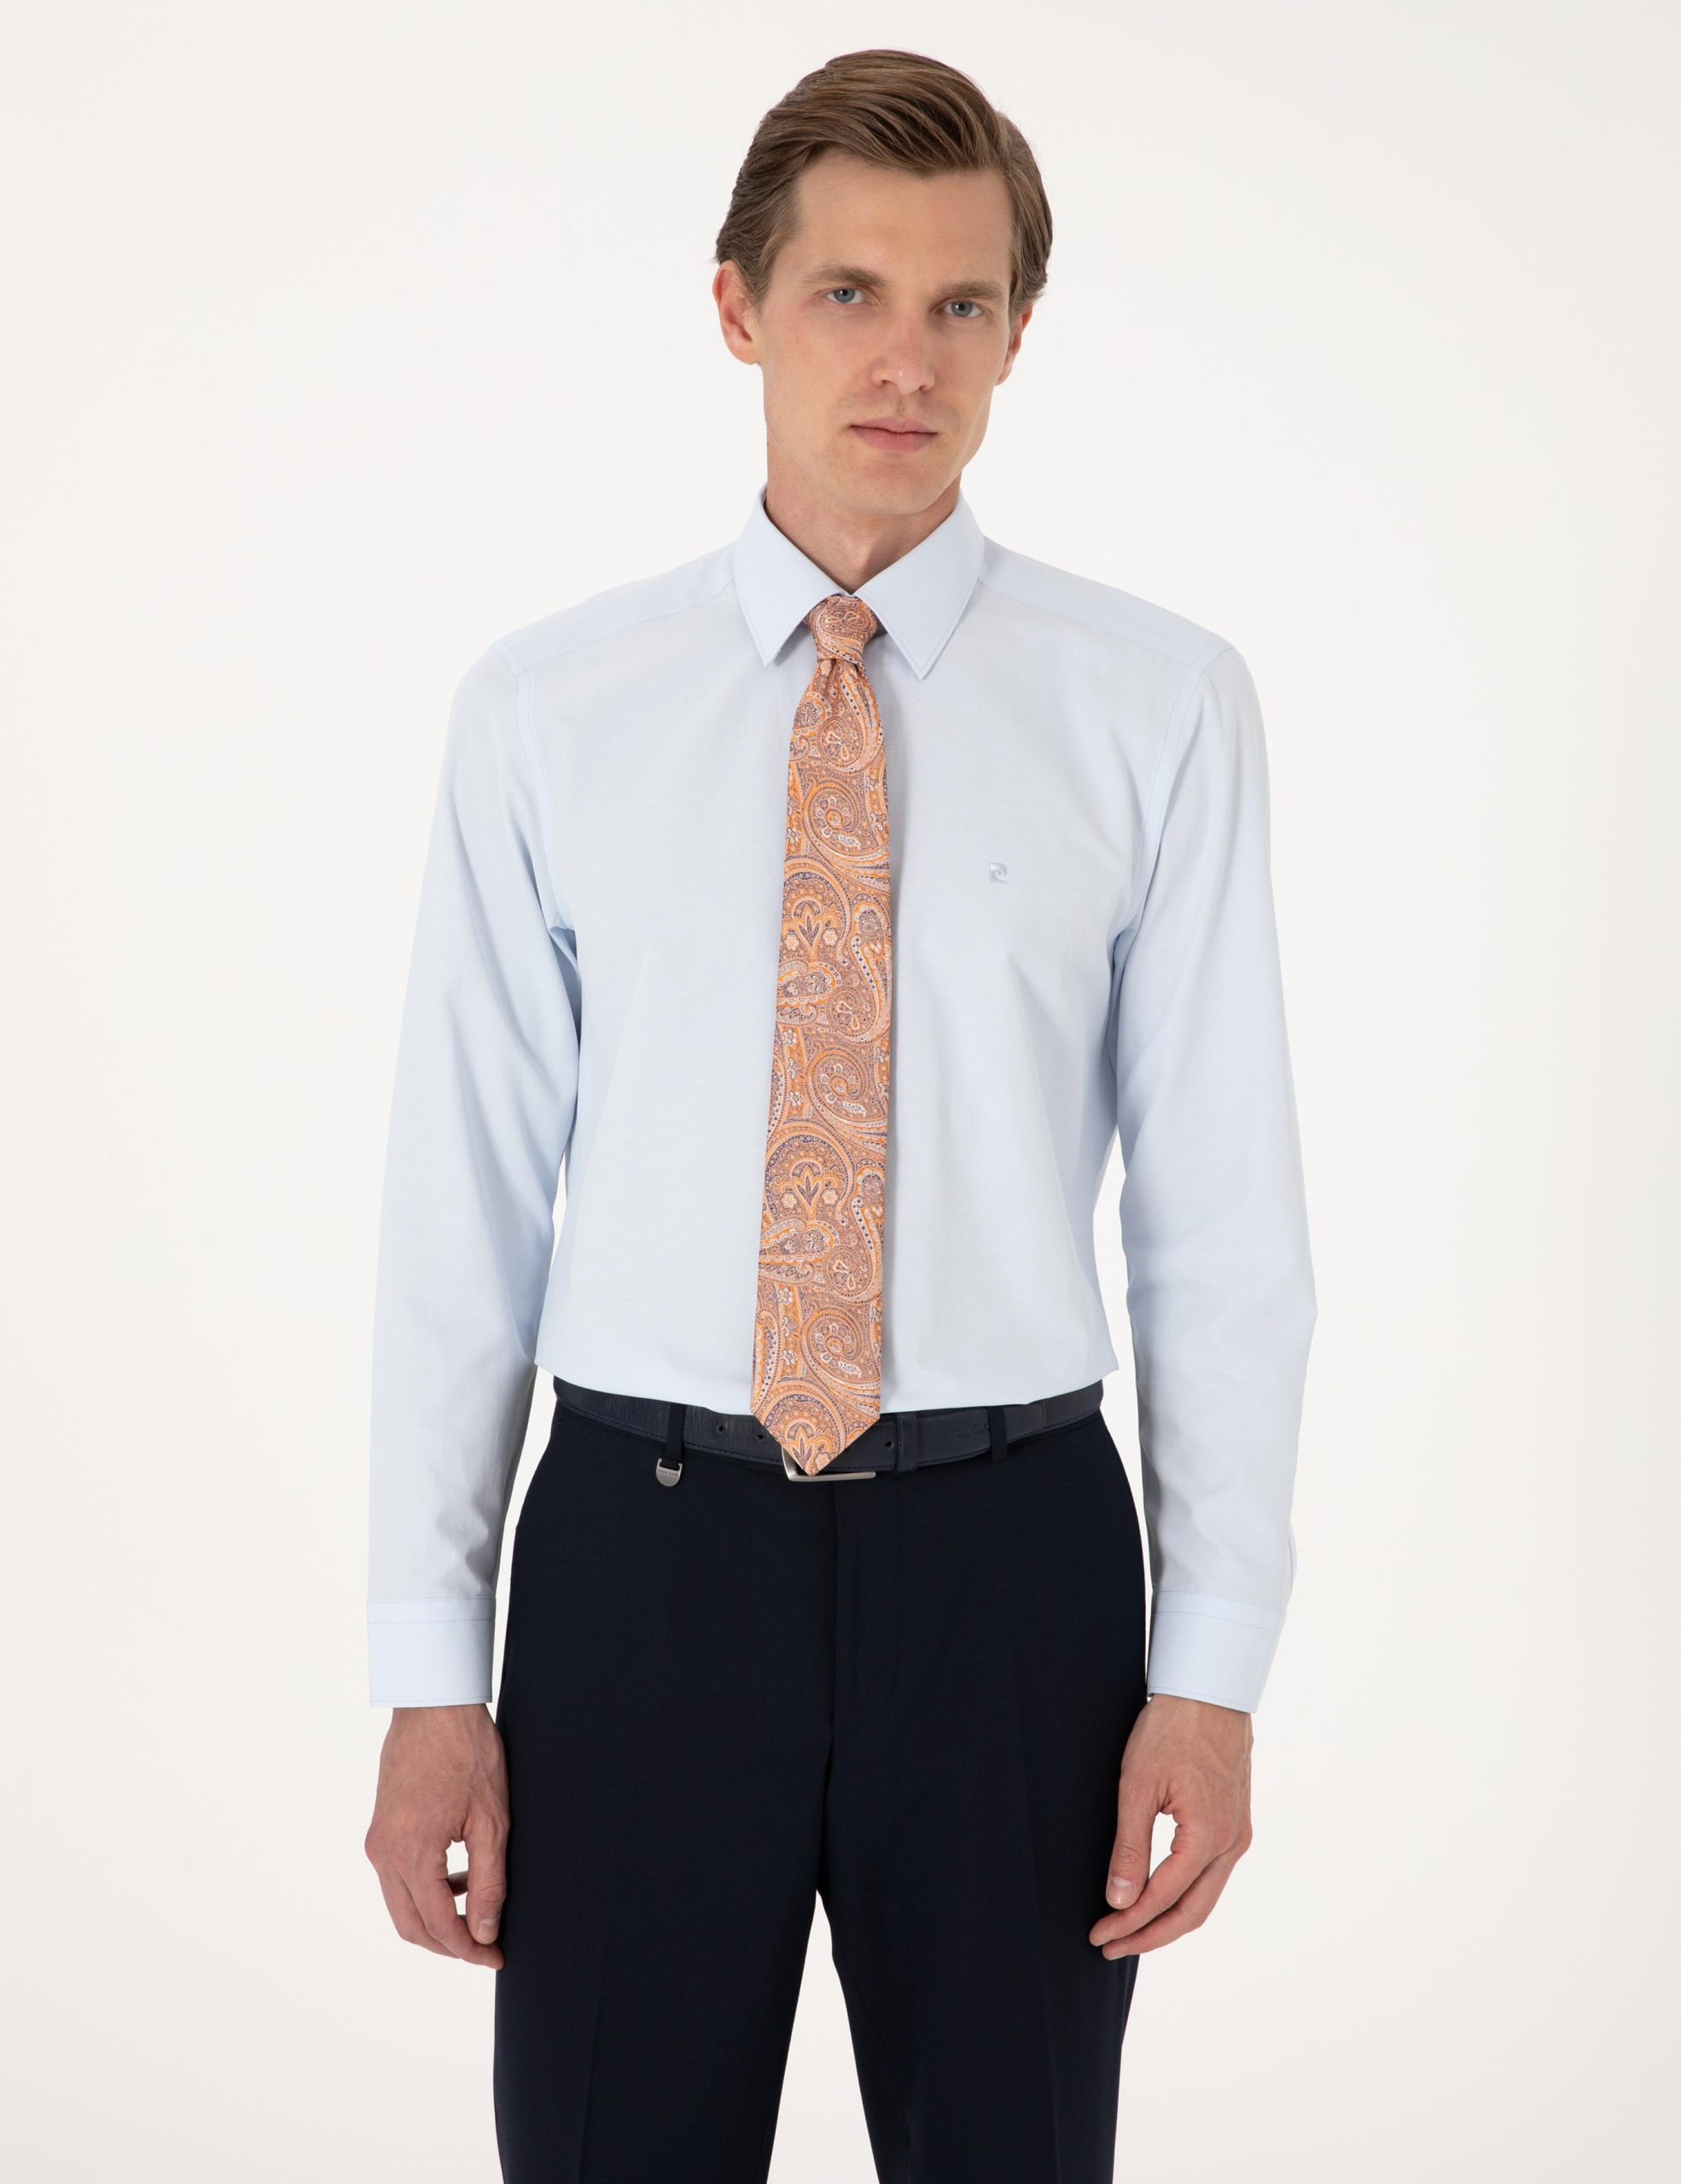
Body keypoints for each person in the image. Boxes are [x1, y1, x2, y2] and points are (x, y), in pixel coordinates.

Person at [363, 45, 1316, 2184]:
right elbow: (462, 1211)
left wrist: (1210, 1667)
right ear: (738, 308)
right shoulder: (549, 711)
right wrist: (430, 1668)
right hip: (640, 1563)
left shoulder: (1157, 705)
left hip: (1014, 1574)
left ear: (1018, 334)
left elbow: (1221, 1219)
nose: (907, 359)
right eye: (849, 294)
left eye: (961, 303)